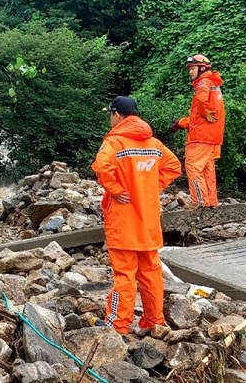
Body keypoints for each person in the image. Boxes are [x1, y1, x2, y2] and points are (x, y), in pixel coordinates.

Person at [91, 96, 182, 335]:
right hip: (148, 222)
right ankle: (155, 321)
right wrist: (152, 185)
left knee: (124, 274)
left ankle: (118, 324)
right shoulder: (153, 143)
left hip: (123, 220)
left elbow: (101, 166)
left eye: (110, 115)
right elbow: (174, 167)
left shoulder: (114, 143)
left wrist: (117, 190)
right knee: (151, 272)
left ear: (117, 115)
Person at [170, 54, 225, 209]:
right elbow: (198, 118)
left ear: (202, 68)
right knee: (207, 169)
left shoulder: (204, 82)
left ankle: (199, 202)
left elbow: (201, 104)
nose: (190, 72)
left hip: (201, 137)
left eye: (192, 68)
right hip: (211, 136)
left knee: (193, 167)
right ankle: (211, 203)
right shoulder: (214, 84)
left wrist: (204, 111)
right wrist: (181, 123)